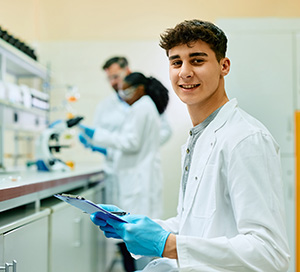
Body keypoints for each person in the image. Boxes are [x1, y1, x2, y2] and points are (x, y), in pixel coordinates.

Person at [89, 19, 291, 272]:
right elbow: (195, 225)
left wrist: (169, 245)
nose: (185, 72)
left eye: (197, 60)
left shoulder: (245, 139)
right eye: (176, 62)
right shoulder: (198, 138)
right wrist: (135, 225)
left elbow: (269, 254)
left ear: (223, 66)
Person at [80, 72, 170, 271]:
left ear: (139, 89)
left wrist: (98, 135)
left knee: (136, 238)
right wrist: (106, 148)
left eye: (126, 90)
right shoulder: (145, 106)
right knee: (136, 239)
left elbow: (131, 142)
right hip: (139, 178)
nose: (123, 94)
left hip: (138, 183)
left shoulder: (142, 106)